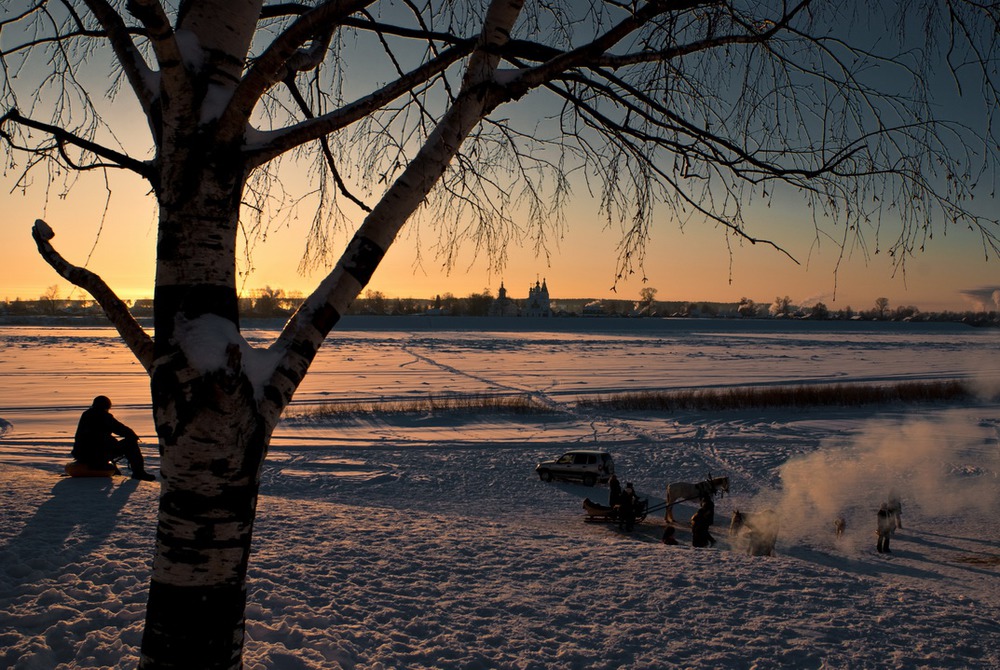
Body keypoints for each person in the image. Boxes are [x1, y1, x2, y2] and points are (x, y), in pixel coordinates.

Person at [73, 395, 155, 481]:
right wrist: (133, 436)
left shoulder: (86, 415)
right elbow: (119, 428)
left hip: (81, 454)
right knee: (131, 444)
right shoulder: (103, 416)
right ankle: (139, 473)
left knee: (108, 445)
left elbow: (98, 435)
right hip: (97, 454)